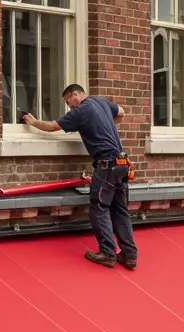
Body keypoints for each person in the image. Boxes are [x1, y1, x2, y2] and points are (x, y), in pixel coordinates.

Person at [22, 84, 138, 270]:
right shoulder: (100, 101)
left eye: (68, 102)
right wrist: (103, 122)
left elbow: (53, 126)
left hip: (106, 165)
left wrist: (33, 122)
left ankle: (108, 253)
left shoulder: (81, 111)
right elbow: (122, 113)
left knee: (99, 208)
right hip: (122, 164)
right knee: (120, 210)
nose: (69, 107)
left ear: (74, 95)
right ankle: (129, 255)